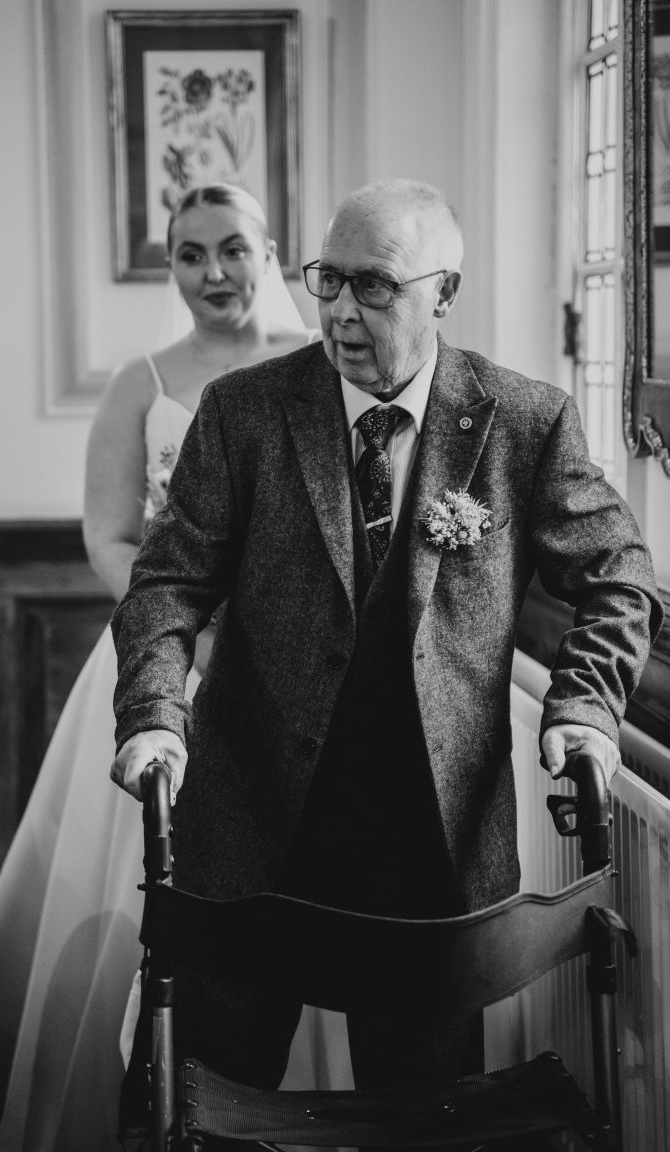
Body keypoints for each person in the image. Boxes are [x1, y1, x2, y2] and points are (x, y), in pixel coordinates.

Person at [110, 178, 664, 1097]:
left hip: (430, 854)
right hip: (250, 829)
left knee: (421, 1116)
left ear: (442, 293)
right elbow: (166, 584)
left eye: (375, 287)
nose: (339, 310)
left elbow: (619, 573)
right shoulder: (244, 413)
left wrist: (587, 706)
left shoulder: (523, 423)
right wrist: (155, 715)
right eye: (329, 280)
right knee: (201, 1093)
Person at [0, 184, 343, 1152]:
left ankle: (300, 1106)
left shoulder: (316, 370)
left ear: (270, 252)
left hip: (294, 674)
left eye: (233, 248)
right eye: (190, 255)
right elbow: (107, 534)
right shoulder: (144, 380)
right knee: (146, 884)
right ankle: (131, 1094)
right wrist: (178, 622)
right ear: (170, 266)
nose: (213, 273)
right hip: (164, 665)